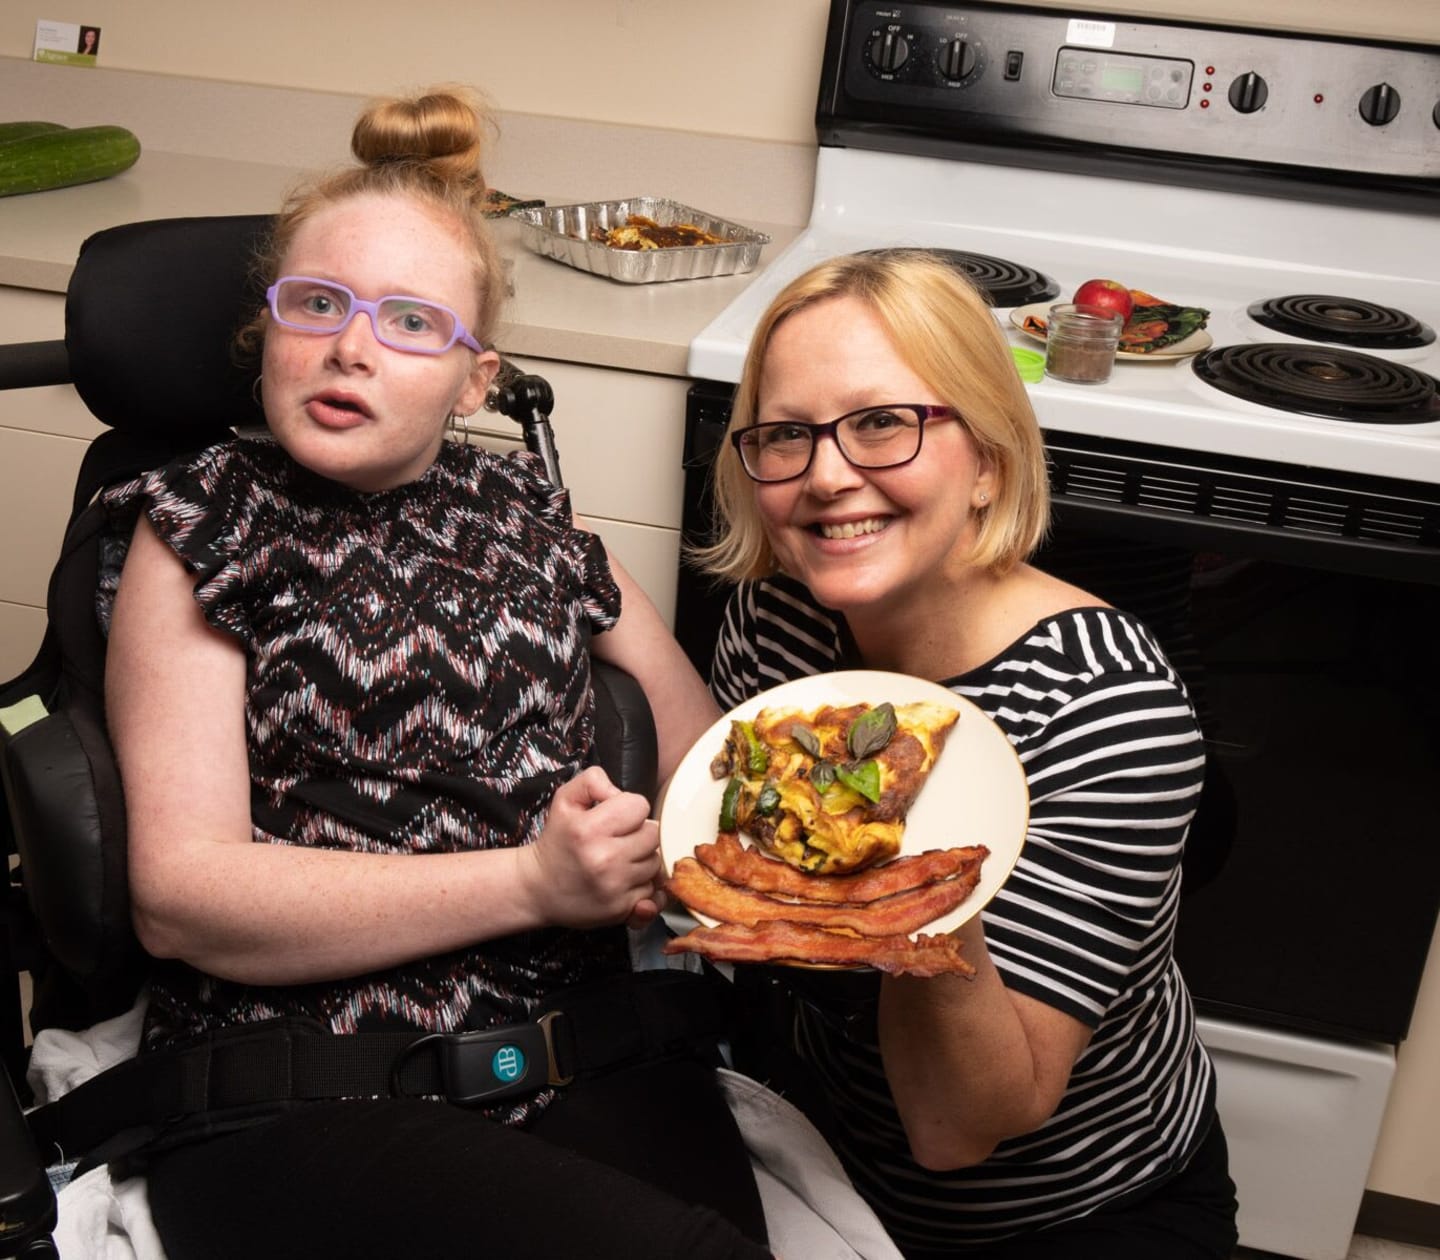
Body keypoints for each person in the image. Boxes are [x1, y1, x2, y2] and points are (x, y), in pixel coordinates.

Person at [96, 86, 771, 1260]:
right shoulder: (202, 523)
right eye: (317, 305)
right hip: (309, 1084)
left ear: (474, 382)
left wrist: (689, 850)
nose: (350, 345)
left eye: (410, 322)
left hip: (582, 1045)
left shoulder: (536, 521)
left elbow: (711, 767)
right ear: (269, 333)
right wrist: (534, 883)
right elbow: (180, 893)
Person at [694, 249, 1239, 1259]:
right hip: (827, 1164)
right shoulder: (777, 626)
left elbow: (961, 1130)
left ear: (987, 457)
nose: (824, 476)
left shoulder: (1106, 707)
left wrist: (918, 865)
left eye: (883, 423)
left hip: (1070, 1214)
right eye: (785, 436)